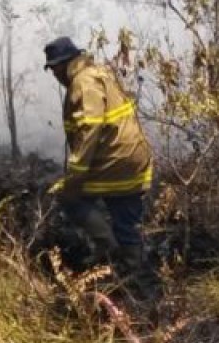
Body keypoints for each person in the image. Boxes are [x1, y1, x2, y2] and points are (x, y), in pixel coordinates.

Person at [44, 36, 153, 272]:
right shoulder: (99, 72)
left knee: (71, 199)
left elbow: (89, 128)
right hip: (131, 158)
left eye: (54, 69)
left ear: (65, 64)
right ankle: (134, 269)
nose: (54, 75)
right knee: (127, 222)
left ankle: (109, 252)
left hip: (113, 161)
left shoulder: (83, 83)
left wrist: (75, 176)